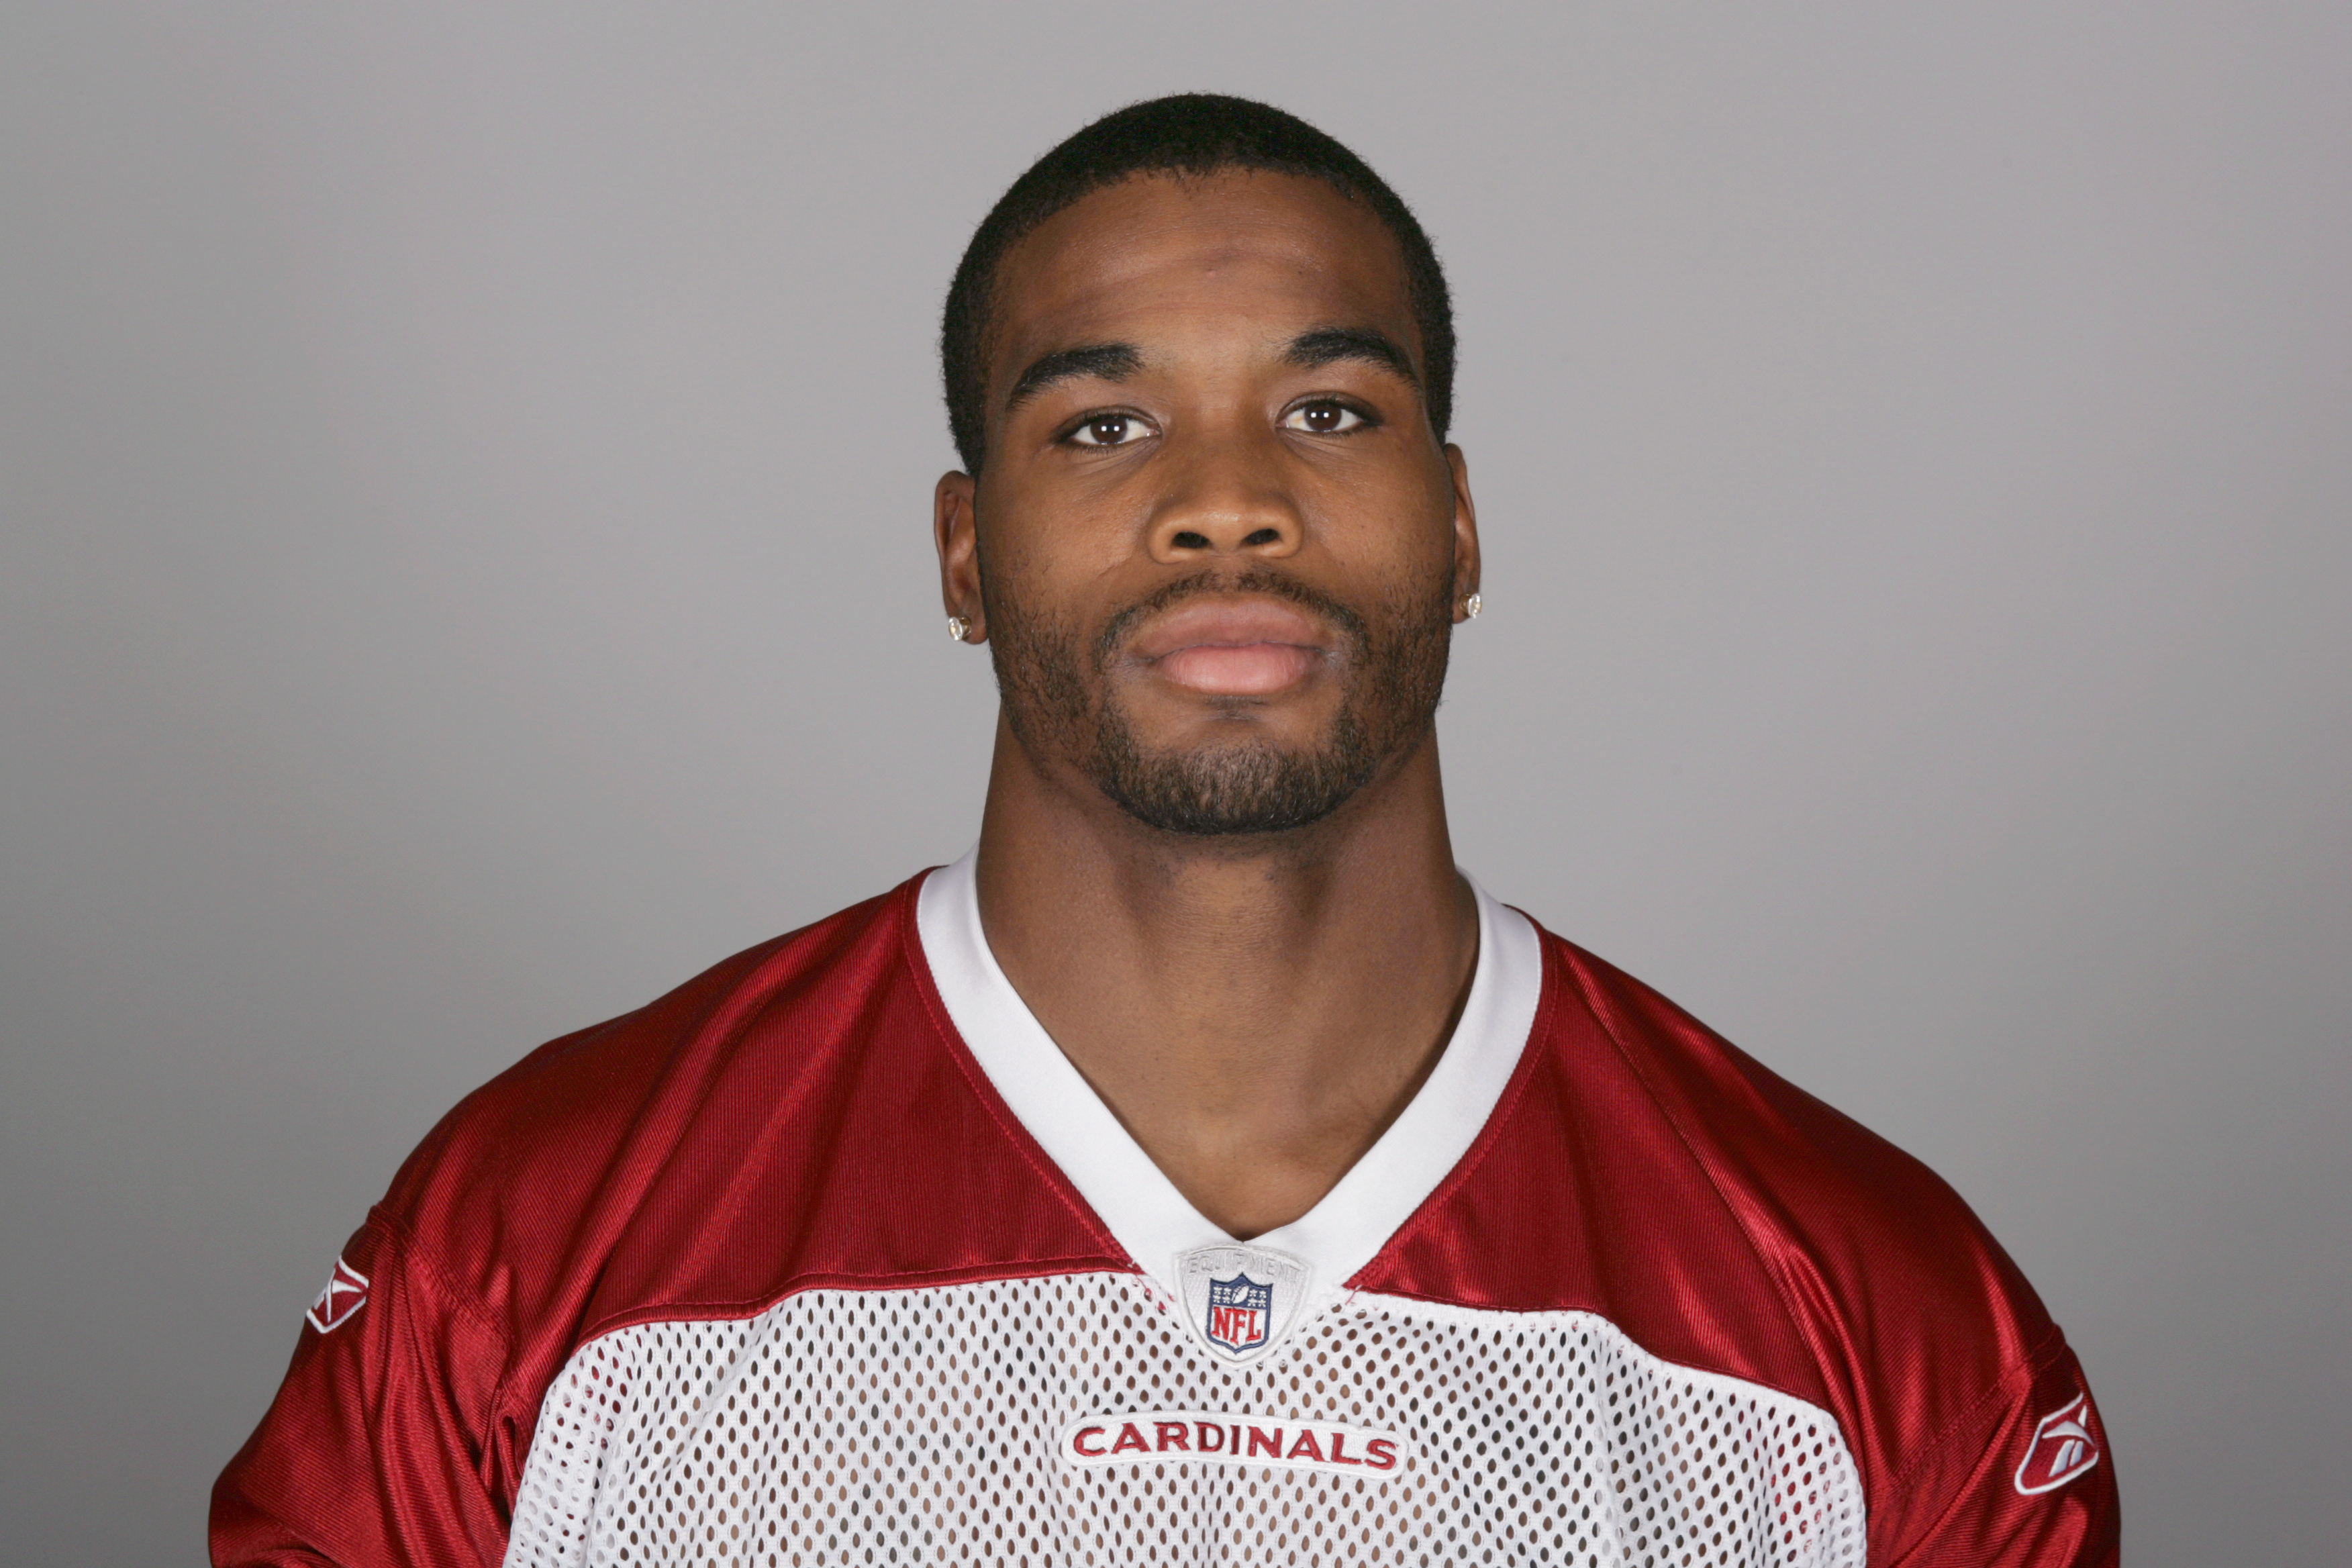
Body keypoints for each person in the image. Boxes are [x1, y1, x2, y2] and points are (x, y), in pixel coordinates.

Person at [213, 95, 2119, 1567]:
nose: (1227, 501)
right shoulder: (533, 1244)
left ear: (1462, 526)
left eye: (1330, 411)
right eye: (1103, 427)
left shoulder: (1871, 1316)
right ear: (964, 553)